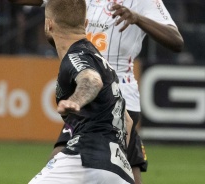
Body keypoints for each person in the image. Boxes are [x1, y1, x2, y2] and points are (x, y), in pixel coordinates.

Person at [8, 0, 184, 183]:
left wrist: (137, 18)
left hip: (119, 92)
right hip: (99, 92)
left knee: (66, 159)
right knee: (121, 170)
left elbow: (176, 41)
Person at [29, 0, 134, 183]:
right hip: (118, 171)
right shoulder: (99, 59)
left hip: (85, 158)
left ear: (48, 24)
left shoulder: (76, 56)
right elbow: (128, 121)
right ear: (85, 25)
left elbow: (92, 80)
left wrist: (76, 100)